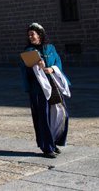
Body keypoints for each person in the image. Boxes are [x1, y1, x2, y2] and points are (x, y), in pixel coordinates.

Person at [22, 22, 71, 158]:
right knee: (43, 117)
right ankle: (47, 147)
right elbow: (25, 70)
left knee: (60, 114)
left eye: (32, 34)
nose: (30, 37)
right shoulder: (28, 51)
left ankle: (54, 141)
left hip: (53, 85)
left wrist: (52, 69)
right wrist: (36, 66)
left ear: (40, 35)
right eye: (29, 35)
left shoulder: (50, 48)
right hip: (38, 89)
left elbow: (58, 62)